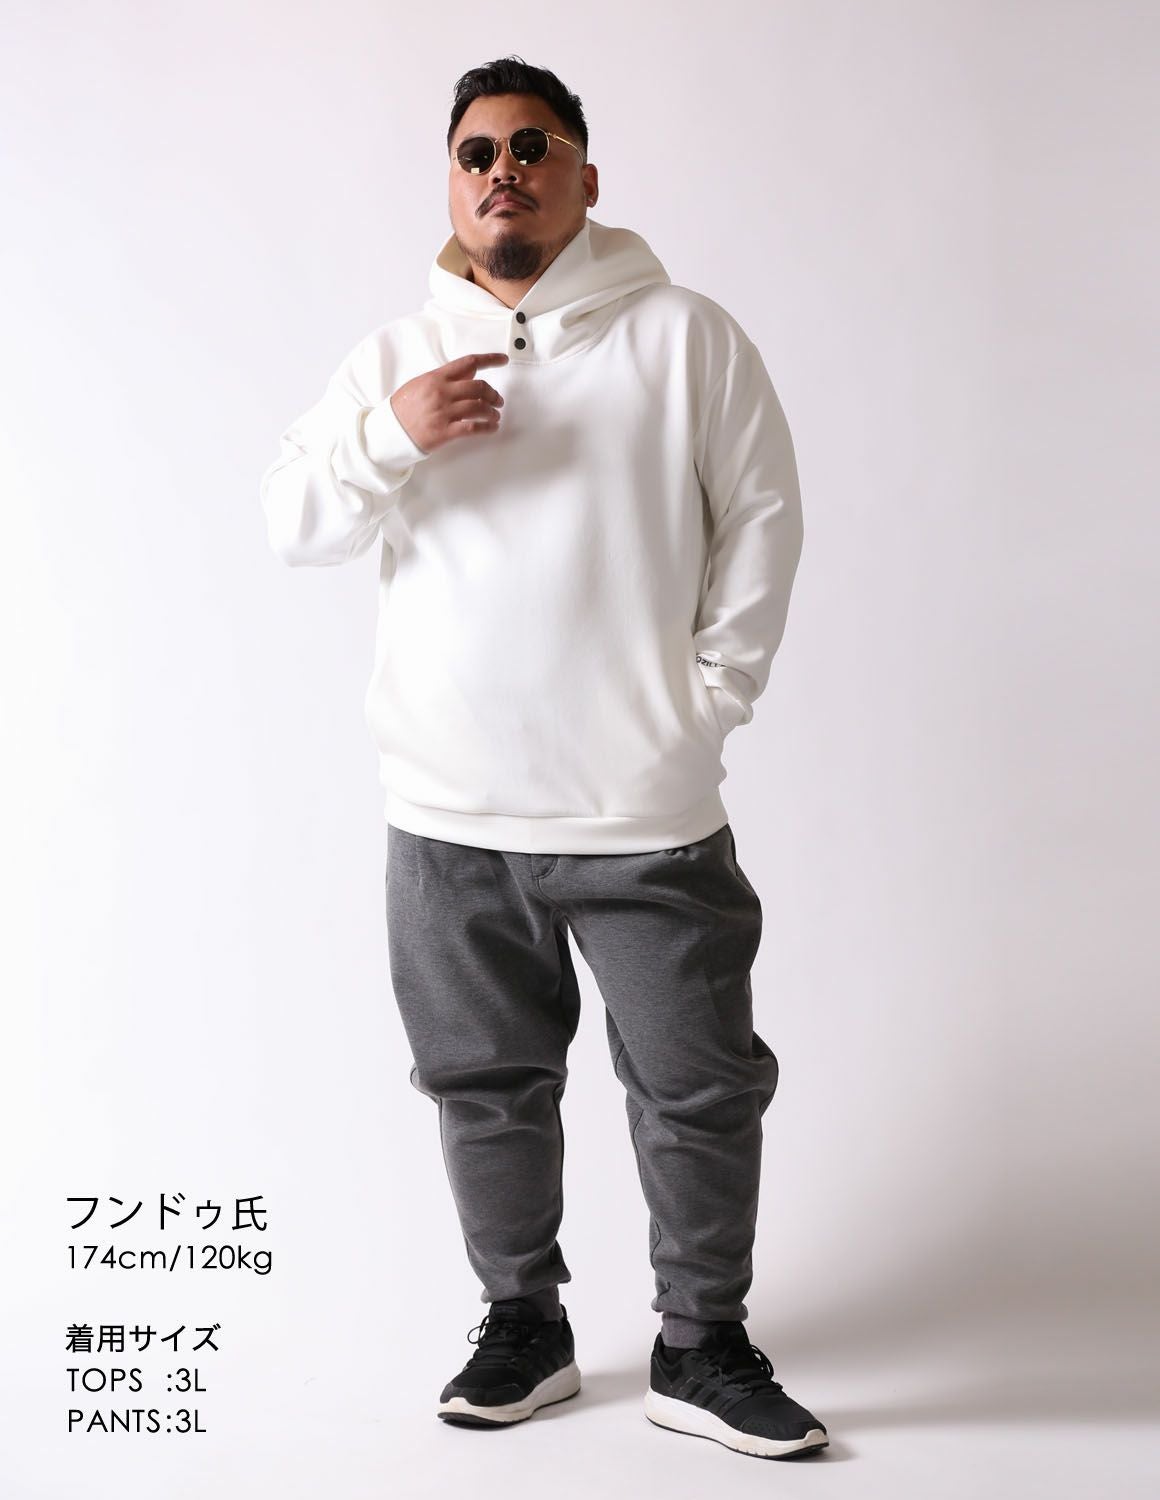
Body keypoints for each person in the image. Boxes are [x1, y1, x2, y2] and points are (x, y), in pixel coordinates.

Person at [259, 55, 825, 1460]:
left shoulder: (685, 337)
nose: (500, 170)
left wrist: (708, 703)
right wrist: (390, 438)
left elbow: (763, 517)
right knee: (482, 1087)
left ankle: (701, 1343)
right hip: (449, 814)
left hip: (642, 809)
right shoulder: (395, 358)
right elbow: (292, 523)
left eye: (531, 145)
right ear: (451, 184)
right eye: (476, 152)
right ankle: (525, 1323)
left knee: (700, 1085)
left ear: (584, 174)